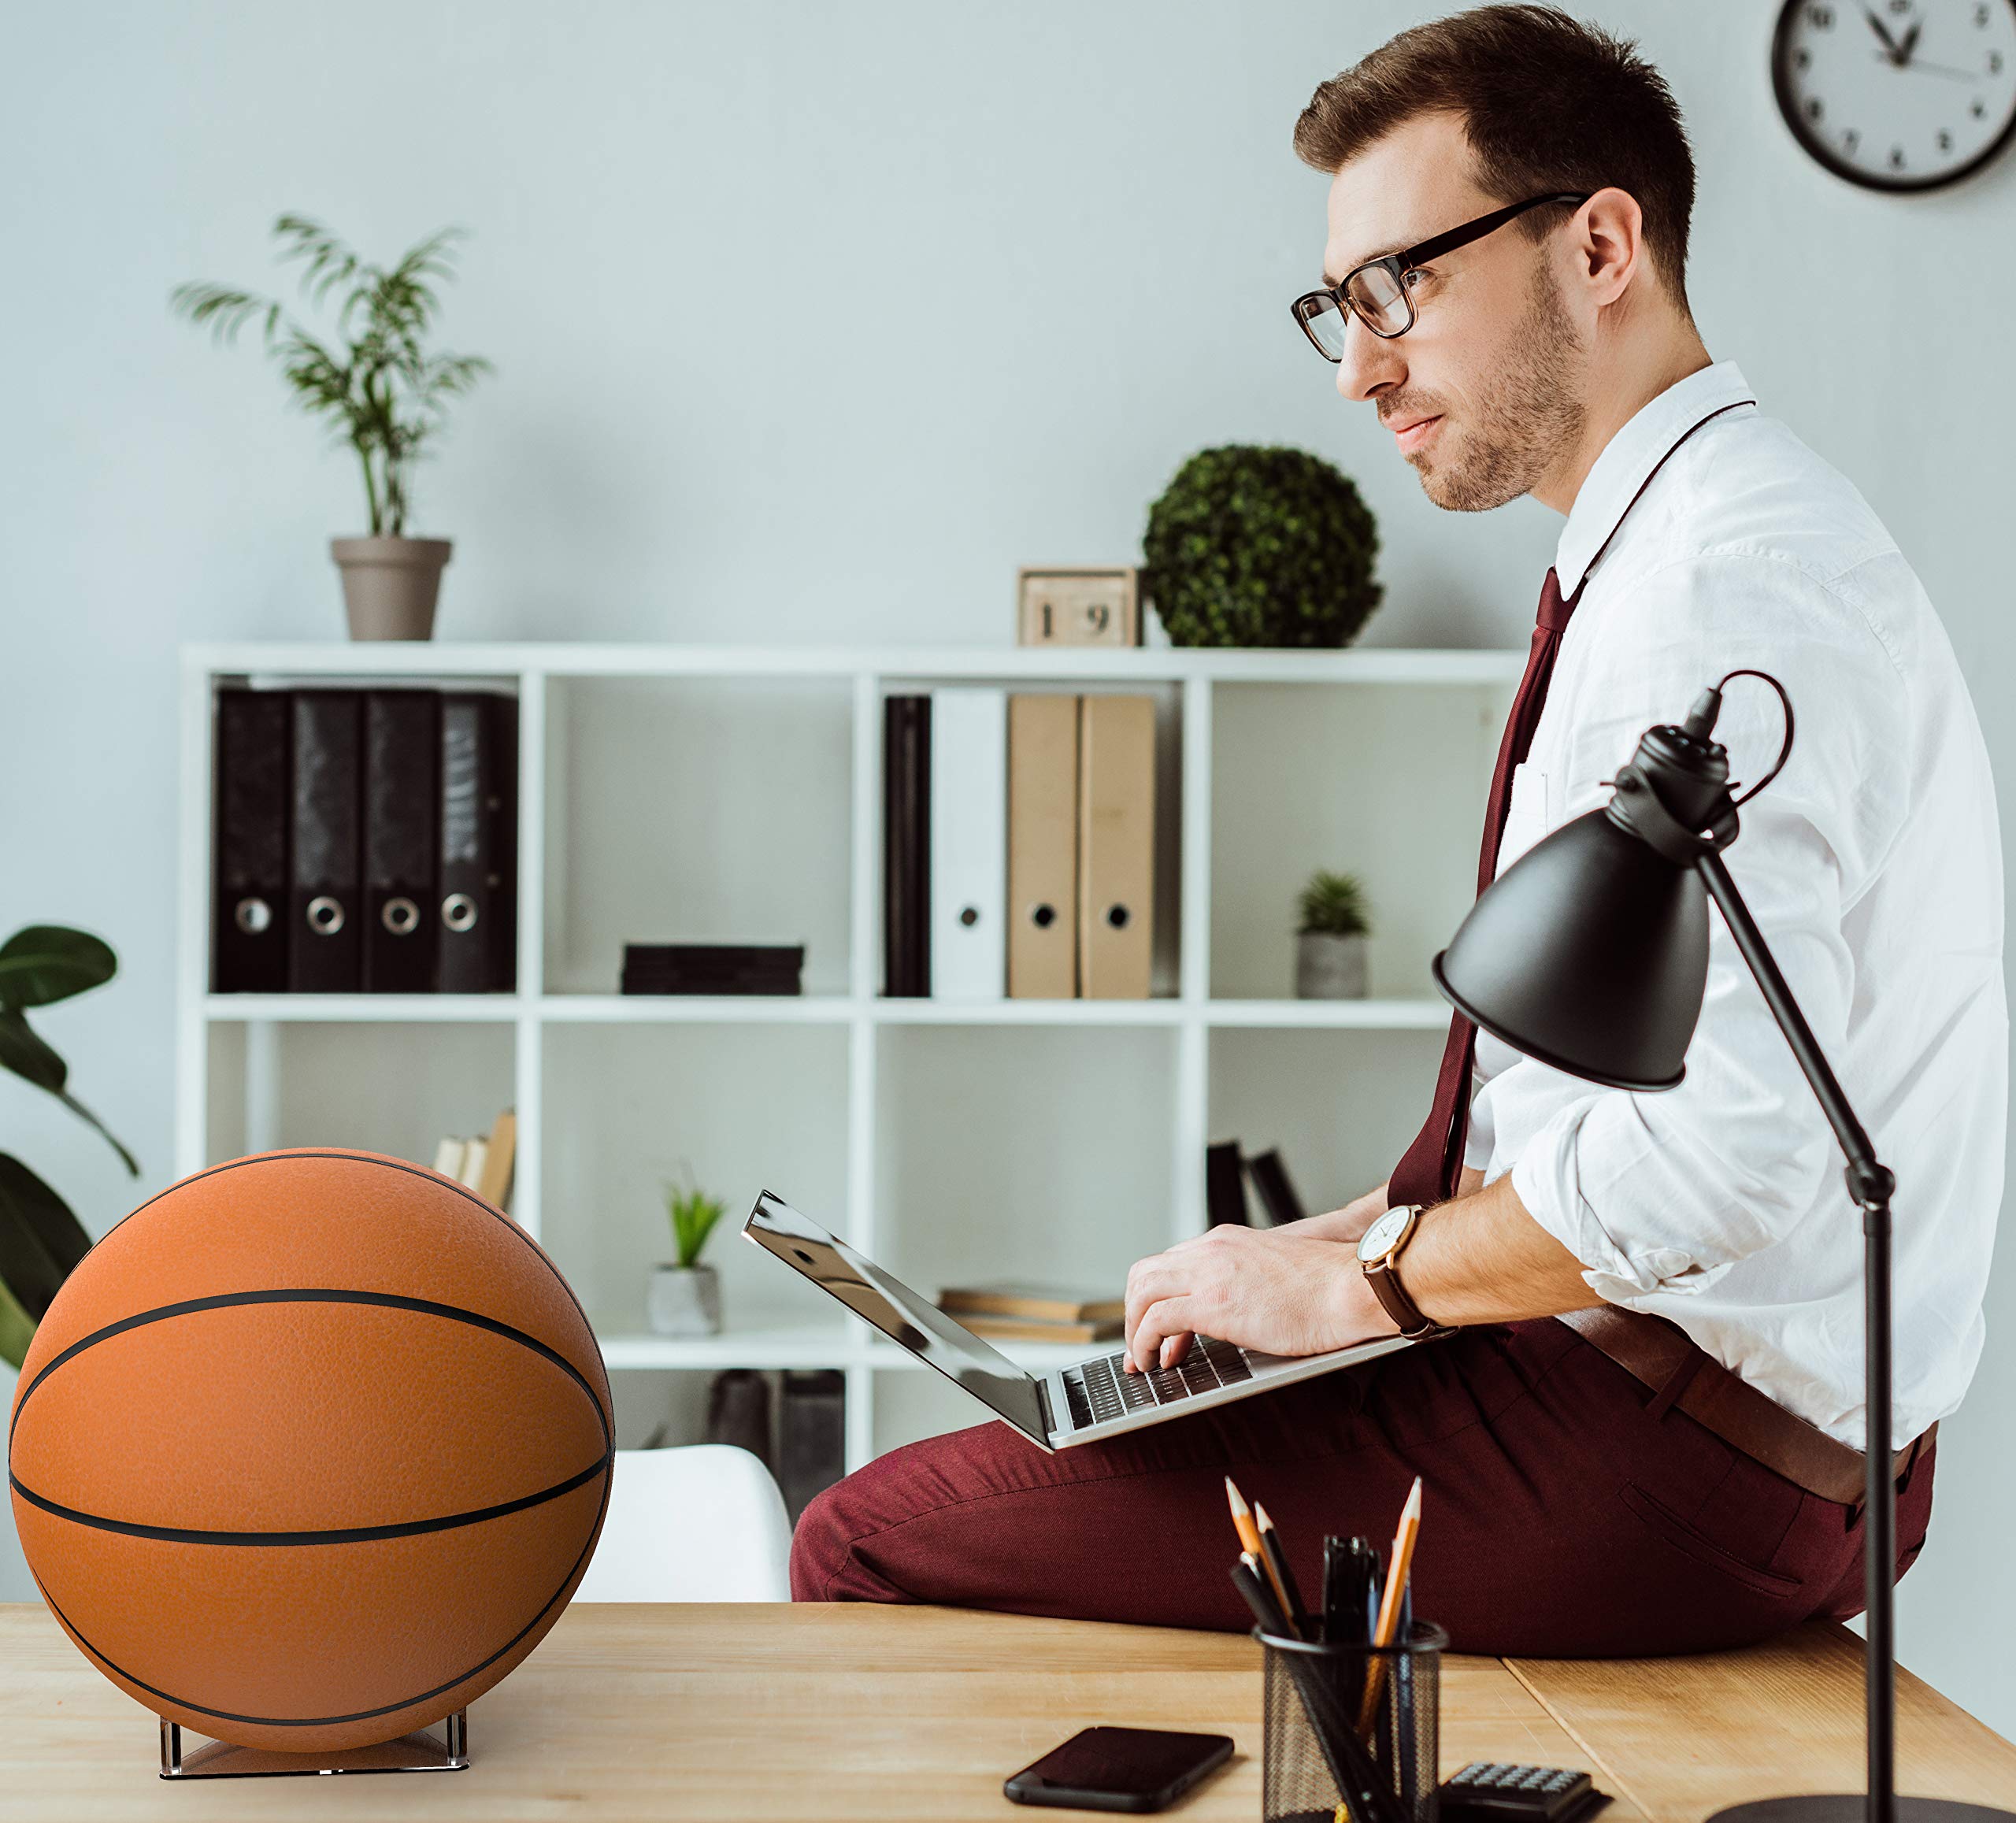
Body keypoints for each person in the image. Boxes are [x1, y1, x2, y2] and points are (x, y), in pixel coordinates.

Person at [790, 4, 2005, 1655]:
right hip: (1706, 1429)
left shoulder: (1720, 589)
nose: (1358, 365)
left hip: (1667, 1466)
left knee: (869, 1536)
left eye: (1398, 285)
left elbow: (1725, 1161)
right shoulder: (1703, 537)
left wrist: (1348, 1296)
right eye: (1333, 305)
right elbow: (1623, 1119)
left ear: (1595, 248)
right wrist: (1329, 1243)